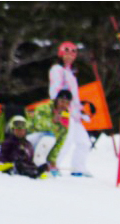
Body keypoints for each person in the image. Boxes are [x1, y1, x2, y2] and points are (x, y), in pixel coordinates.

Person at [49, 41, 92, 177]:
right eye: (66, 53)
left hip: (74, 113)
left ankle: (78, 168)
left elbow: (74, 96)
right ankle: (52, 166)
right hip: (64, 111)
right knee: (65, 140)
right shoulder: (57, 69)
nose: (70, 56)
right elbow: (54, 90)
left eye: (73, 53)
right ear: (61, 54)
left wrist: (80, 110)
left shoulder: (70, 72)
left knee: (84, 142)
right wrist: (60, 104)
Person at [25, 90, 74, 176]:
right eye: (62, 101)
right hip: (28, 141)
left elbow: (60, 141)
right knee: (49, 136)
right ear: (56, 100)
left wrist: (52, 160)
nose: (64, 105)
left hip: (44, 147)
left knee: (57, 139)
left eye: (67, 103)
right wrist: (53, 122)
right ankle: (38, 163)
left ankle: (45, 164)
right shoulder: (44, 108)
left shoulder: (65, 117)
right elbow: (38, 125)